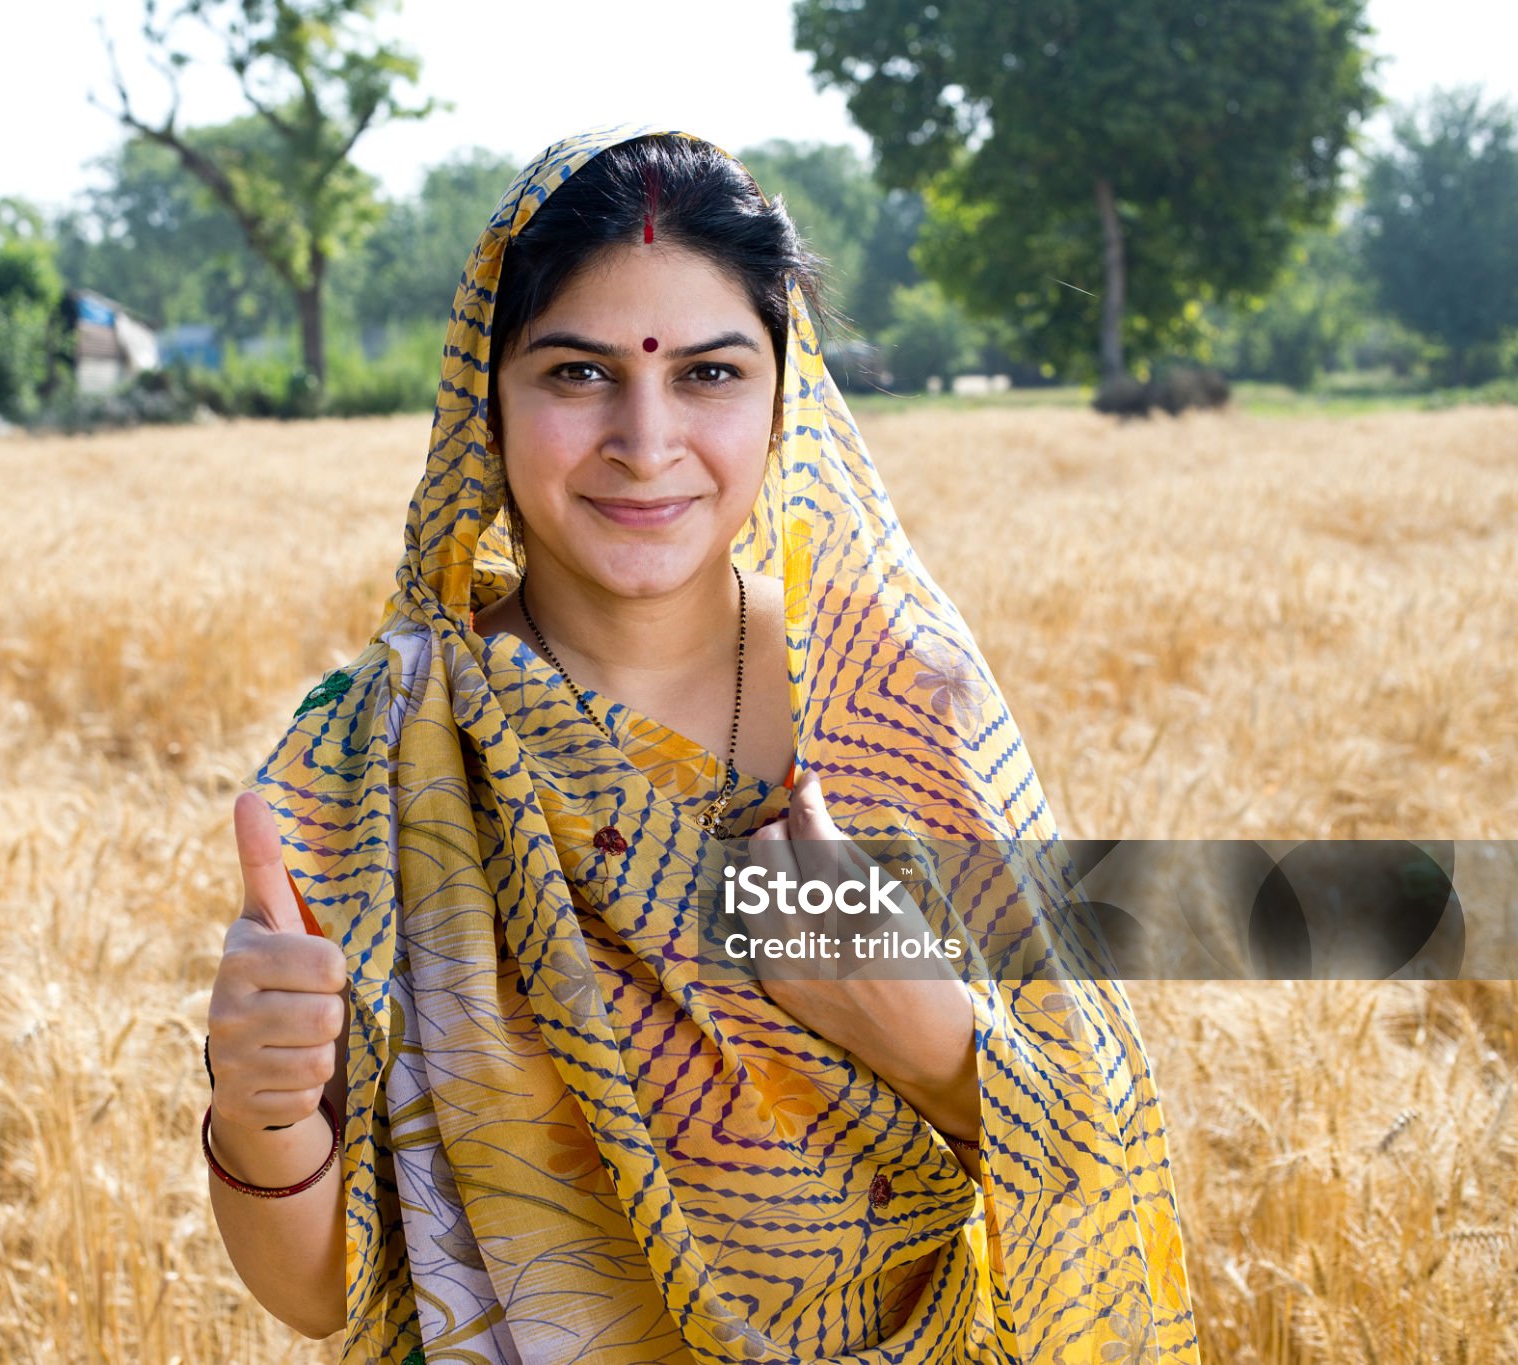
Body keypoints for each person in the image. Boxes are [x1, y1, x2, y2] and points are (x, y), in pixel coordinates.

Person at [205, 122, 1200, 1363]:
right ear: (483, 400)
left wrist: (918, 1031)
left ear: (783, 396)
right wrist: (260, 1118)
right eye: (575, 374)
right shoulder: (380, 755)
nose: (645, 439)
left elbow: (1095, 1169)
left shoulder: (898, 701)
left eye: (709, 374)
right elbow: (325, 1296)